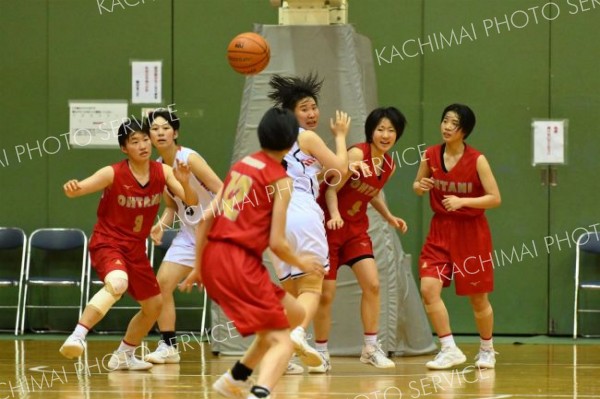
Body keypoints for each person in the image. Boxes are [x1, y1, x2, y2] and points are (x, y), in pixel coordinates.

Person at [180, 107, 324, 399]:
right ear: (291, 142)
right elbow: (277, 243)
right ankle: (260, 393)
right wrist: (303, 263)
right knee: (282, 340)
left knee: (294, 313)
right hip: (240, 263)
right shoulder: (281, 182)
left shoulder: (243, 165)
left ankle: (235, 379)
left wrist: (199, 266)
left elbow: (206, 219)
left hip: (216, 258)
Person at [59, 118, 198, 371]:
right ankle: (77, 336)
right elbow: (77, 190)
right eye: (135, 141)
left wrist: (186, 181)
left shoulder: (163, 172)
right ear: (125, 148)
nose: (143, 145)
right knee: (118, 283)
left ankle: (124, 355)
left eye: (146, 139)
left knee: (154, 306)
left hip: (135, 249)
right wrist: (71, 187)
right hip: (108, 243)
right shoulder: (112, 173)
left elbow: (190, 200)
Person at [313, 106, 409, 372]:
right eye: (381, 129)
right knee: (326, 294)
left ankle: (370, 348)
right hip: (329, 228)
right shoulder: (357, 153)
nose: (385, 135)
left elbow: (372, 192)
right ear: (371, 131)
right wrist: (333, 214)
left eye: (391, 130)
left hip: (355, 230)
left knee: (373, 284)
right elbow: (331, 188)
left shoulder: (389, 163)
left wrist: (389, 216)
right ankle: (321, 352)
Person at [267, 73, 350, 374]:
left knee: (291, 288)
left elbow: (306, 175)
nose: (312, 113)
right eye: (304, 108)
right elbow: (340, 169)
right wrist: (340, 136)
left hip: (274, 215)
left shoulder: (275, 141)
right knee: (313, 284)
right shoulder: (307, 137)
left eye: (314, 107)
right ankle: (299, 333)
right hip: (301, 210)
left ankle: (286, 356)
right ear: (291, 114)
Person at [413, 104, 501, 370]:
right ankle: (449, 348)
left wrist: (463, 202)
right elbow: (417, 185)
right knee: (428, 289)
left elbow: (495, 198)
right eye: (445, 121)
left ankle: (487, 348)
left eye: (454, 123)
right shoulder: (429, 155)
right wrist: (421, 185)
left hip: (471, 233)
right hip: (439, 231)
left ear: (464, 130)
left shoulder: (477, 160)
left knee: (478, 299)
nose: (447, 126)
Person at [144, 109, 223, 364]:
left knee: (236, 292)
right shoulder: (157, 167)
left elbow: (223, 188)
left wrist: (211, 211)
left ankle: (277, 345)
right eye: (154, 129)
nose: (160, 133)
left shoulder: (190, 158)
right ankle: (169, 346)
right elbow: (172, 207)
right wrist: (161, 225)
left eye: (165, 128)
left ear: (175, 132)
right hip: (189, 236)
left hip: (217, 232)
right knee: (162, 285)